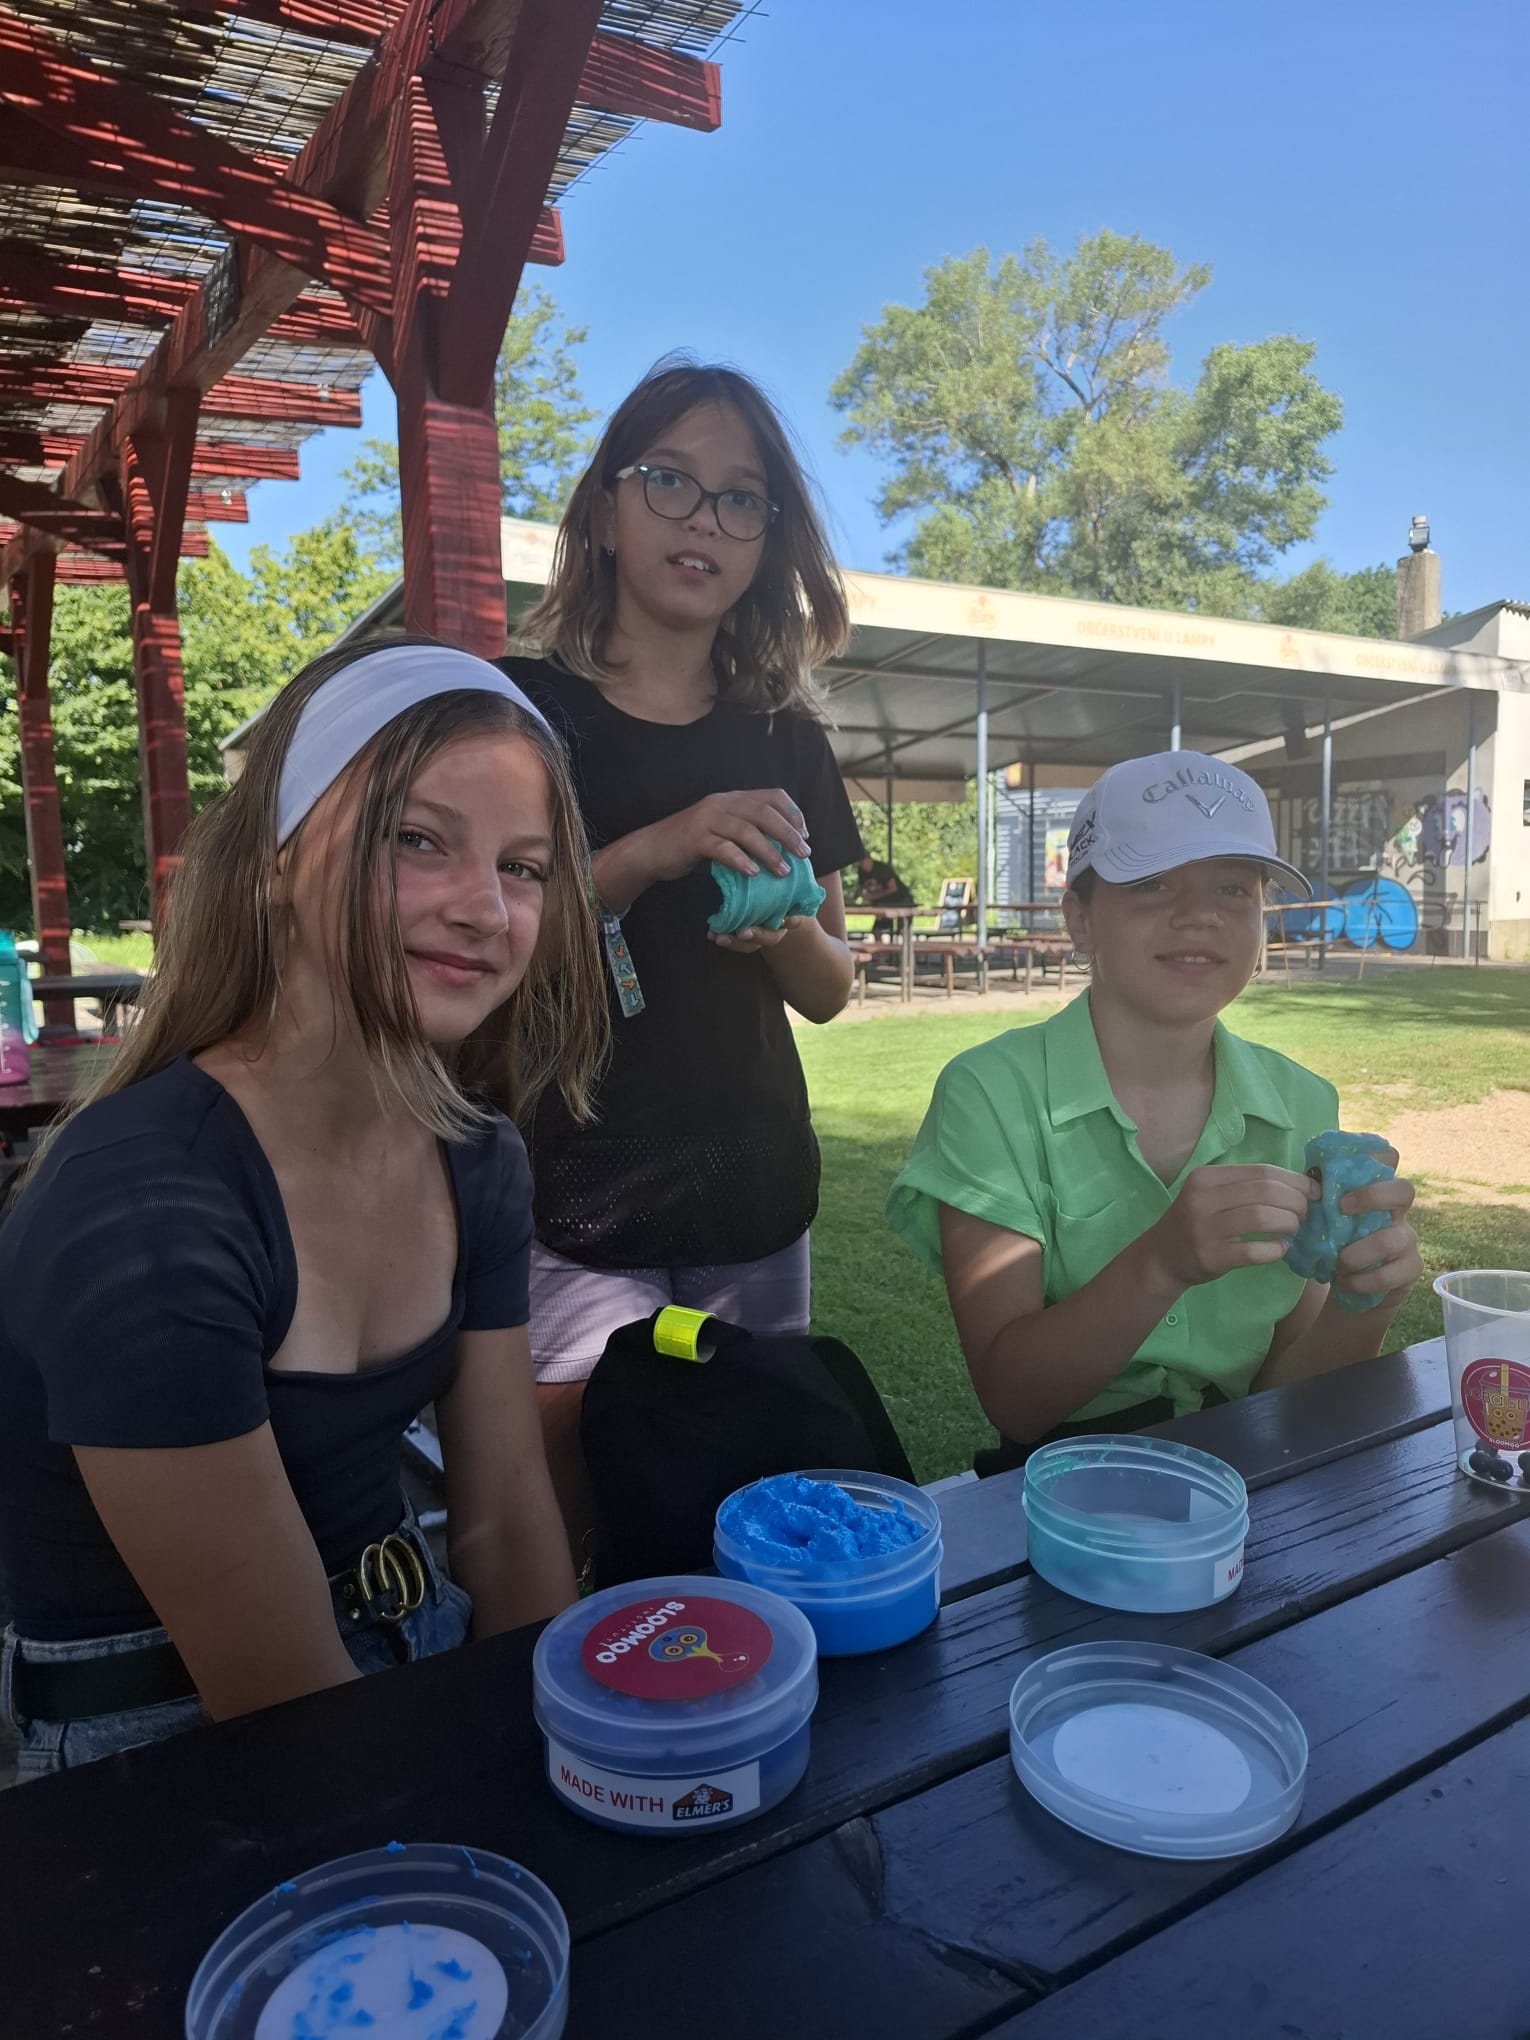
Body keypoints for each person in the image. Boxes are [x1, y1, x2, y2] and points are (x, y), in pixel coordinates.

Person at [0, 636, 607, 1779]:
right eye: (417, 840)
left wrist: (566, 1744)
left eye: (524, 868)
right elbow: (282, 1707)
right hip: (158, 1746)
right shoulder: (144, 1213)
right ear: (275, 860)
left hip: (408, 1641)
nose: (486, 908)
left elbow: (505, 1524)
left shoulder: (476, 1158)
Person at [500, 360, 864, 1557]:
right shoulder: (520, 717)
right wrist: (656, 849)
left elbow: (832, 989)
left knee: (748, 1503)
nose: (703, 519)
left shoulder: (786, 742)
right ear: (606, 510)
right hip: (575, 1181)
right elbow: (494, 944)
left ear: (767, 541)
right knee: (582, 1513)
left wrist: (783, 932)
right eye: (669, 480)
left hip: (751, 1178)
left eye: (740, 497)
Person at [887, 750, 1423, 1475]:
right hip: (1064, 1486)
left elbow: (1284, 1395)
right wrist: (1162, 1261)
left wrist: (1367, 1302)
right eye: (1151, 882)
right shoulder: (990, 1094)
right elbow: (1014, 1402)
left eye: (1233, 887)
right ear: (1080, 919)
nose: (1199, 914)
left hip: (1240, 1479)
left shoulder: (1303, 1102)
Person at [851, 852, 914, 938]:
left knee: (902, 930)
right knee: (876, 931)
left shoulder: (882, 869)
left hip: (900, 901)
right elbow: (860, 887)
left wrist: (875, 896)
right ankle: (880, 947)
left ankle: (902, 946)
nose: (861, 865)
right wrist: (859, 895)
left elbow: (893, 888)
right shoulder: (861, 872)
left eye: (862, 862)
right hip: (883, 905)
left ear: (869, 859)